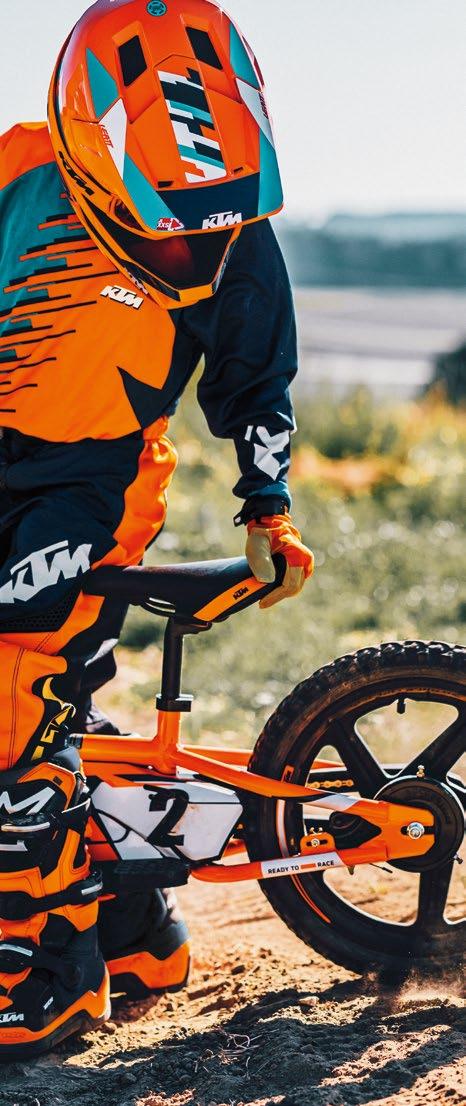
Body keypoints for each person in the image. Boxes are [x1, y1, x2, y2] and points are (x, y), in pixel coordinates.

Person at [0, 0, 313, 1056]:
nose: (198, 250)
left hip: (95, 484)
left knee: (14, 699)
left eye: (216, 225)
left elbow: (257, 378)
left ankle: (43, 976)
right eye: (172, 227)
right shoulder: (15, 178)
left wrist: (268, 506)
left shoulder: (228, 222)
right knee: (58, 714)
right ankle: (135, 935)